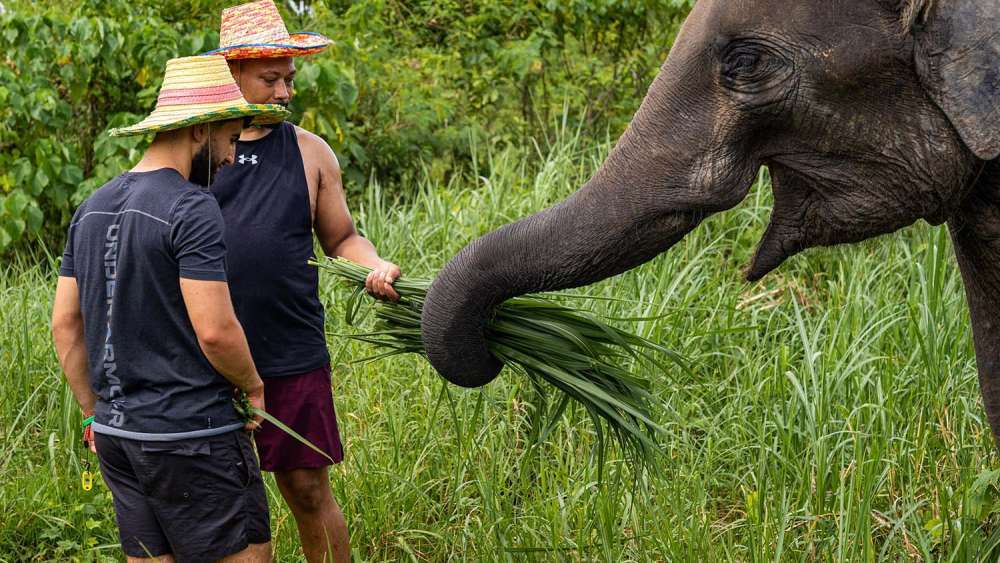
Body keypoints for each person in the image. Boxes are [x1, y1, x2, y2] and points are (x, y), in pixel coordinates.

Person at [51, 55, 289, 563]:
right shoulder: (191, 207)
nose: (229, 158)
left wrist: (95, 413)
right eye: (228, 139)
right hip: (192, 436)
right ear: (200, 131)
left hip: (118, 436)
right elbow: (215, 331)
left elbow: (64, 324)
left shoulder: (90, 207)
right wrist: (252, 386)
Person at [205, 2, 401, 561]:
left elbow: (342, 239)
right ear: (232, 73)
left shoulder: (310, 152)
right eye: (271, 79)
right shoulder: (195, 152)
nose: (286, 93)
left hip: (290, 350)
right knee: (213, 501)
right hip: (205, 354)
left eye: (289, 79)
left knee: (309, 490)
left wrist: (375, 265)